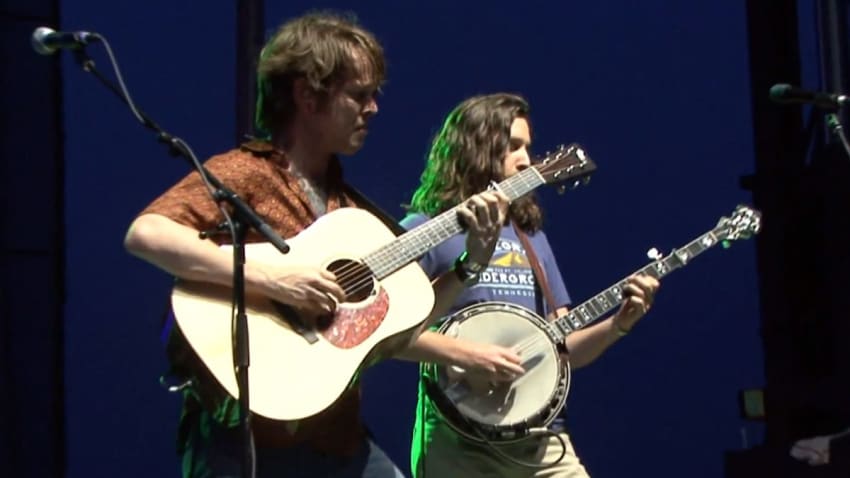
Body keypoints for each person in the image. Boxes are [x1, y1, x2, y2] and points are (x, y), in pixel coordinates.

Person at [123, 11, 508, 478]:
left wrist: (471, 264)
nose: (373, 109)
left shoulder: (351, 210)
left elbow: (398, 338)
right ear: (308, 95)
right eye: (359, 95)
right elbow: (148, 233)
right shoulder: (248, 173)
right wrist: (277, 280)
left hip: (337, 437)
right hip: (242, 441)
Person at [397, 93, 661, 478]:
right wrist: (469, 354)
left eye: (528, 148)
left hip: (542, 441)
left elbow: (564, 349)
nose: (525, 159)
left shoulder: (531, 239)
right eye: (513, 146)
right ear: (477, 148)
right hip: (459, 444)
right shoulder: (427, 230)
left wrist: (618, 325)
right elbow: (386, 336)